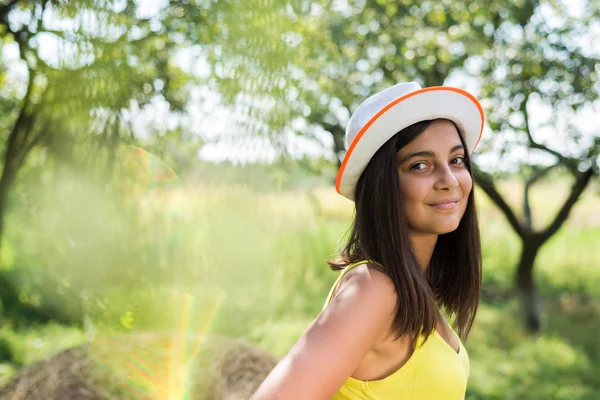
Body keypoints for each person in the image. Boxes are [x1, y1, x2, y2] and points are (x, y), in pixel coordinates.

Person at [251, 81, 485, 399]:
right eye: (420, 165)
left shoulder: (414, 289)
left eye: (456, 160)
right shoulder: (374, 288)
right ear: (382, 187)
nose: (449, 180)